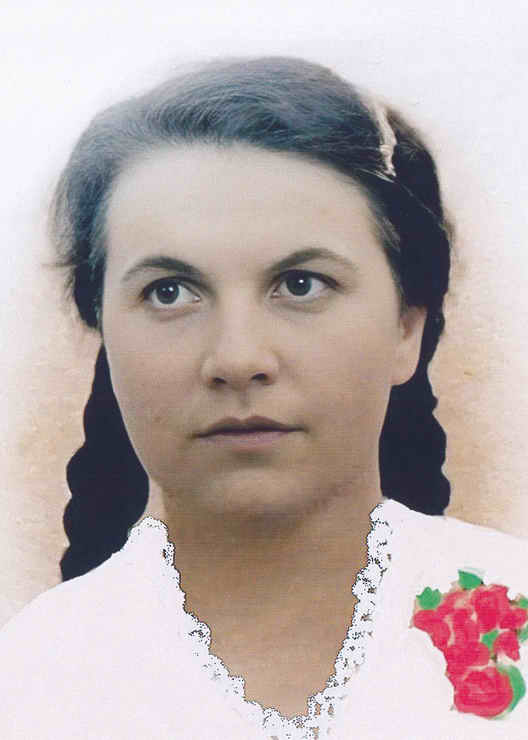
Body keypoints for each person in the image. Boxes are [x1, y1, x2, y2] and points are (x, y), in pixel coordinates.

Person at [1, 56, 527, 739]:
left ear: (407, 328)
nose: (238, 359)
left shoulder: (515, 607)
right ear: (104, 331)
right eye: (169, 292)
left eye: (301, 284)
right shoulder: (31, 682)